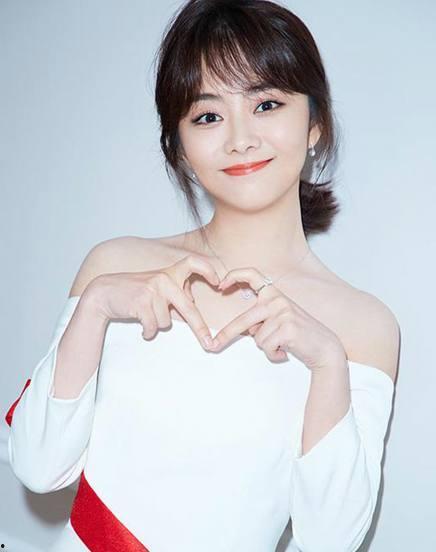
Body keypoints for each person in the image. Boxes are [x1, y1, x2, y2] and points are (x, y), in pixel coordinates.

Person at [5, 1, 400, 550]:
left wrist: (328, 362)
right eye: (208, 116)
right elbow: (38, 465)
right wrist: (94, 306)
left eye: (266, 104)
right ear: (179, 145)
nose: (240, 139)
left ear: (315, 123)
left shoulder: (362, 325)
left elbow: (330, 540)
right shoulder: (115, 269)